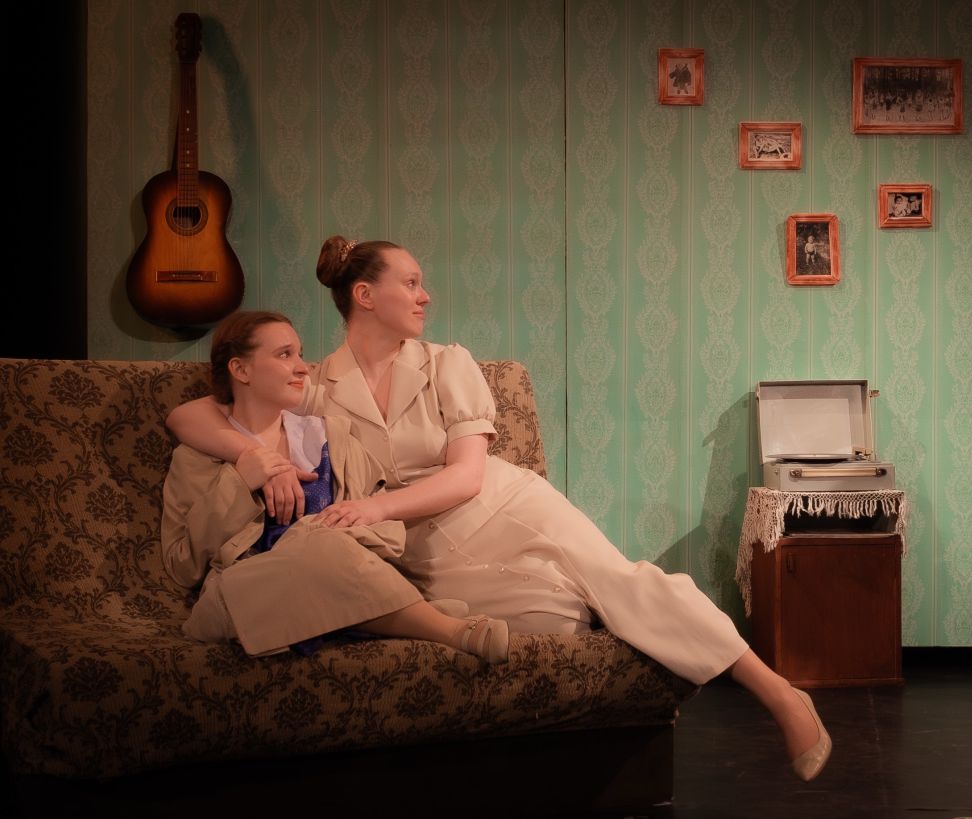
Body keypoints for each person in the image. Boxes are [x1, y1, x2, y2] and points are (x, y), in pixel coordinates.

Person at [166, 239, 832, 782]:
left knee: (614, 578)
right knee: (554, 619)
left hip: (496, 501)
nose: (425, 295)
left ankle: (778, 692)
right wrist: (254, 456)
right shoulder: (319, 383)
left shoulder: (447, 364)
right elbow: (189, 414)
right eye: (411, 282)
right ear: (364, 296)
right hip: (414, 546)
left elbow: (465, 476)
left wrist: (370, 507)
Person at [161, 309, 508, 663]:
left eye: (299, 354)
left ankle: (374, 608)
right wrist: (239, 483)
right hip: (246, 595)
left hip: (339, 582)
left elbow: (387, 533)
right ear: (240, 369)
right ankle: (448, 630)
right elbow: (182, 565)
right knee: (320, 543)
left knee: (323, 542)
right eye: (284, 355)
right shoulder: (196, 457)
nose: (302, 367)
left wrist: (326, 535)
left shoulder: (331, 438)